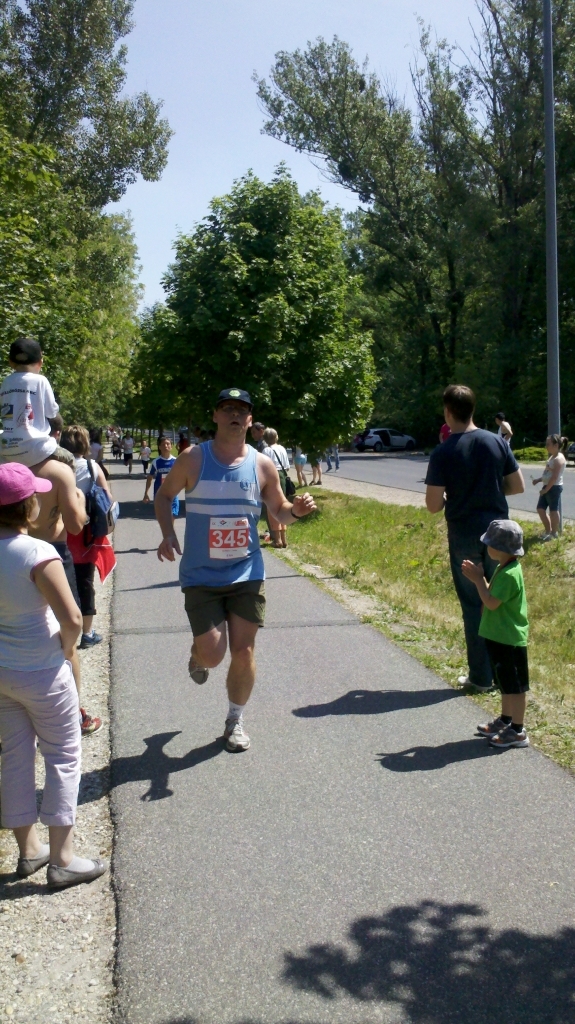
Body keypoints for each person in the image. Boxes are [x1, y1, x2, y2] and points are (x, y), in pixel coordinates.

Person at [154, 388, 316, 753]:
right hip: (201, 575)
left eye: (241, 410)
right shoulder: (193, 459)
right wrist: (167, 533)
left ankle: (235, 720)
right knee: (213, 654)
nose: (234, 415)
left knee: (243, 651)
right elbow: (164, 496)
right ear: (215, 416)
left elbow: (279, 509)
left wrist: (296, 511)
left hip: (246, 573)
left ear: (250, 420)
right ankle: (198, 654)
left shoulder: (262, 465)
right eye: (227, 408)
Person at [0, 463, 107, 887]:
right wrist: (66, 649)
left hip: (3, 671)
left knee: (15, 756)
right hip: (42, 669)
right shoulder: (38, 553)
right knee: (63, 755)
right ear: (29, 506)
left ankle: (29, 850)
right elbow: (73, 618)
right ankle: (62, 857)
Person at [425, 385, 525, 693]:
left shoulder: (443, 452)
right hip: (499, 533)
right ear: (473, 409)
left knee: (473, 603)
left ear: (447, 412)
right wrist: (489, 489)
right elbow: (517, 485)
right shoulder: (496, 442)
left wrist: (454, 496)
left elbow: (433, 505)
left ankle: (481, 677)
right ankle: (504, 674)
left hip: (465, 532)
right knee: (500, 601)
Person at [462, 519, 530, 748]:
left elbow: (491, 603)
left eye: (489, 543)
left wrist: (478, 580)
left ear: (500, 549)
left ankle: (518, 731)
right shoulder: (505, 567)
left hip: (510, 639)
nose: (486, 546)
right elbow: (492, 598)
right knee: (505, 683)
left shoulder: (510, 574)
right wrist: (482, 579)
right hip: (499, 636)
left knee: (516, 687)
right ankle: (506, 719)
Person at [61, 426, 116, 655]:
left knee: (61, 581)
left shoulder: (56, 467)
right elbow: (108, 499)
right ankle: (87, 633)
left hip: (60, 531)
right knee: (85, 582)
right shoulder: (92, 467)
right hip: (85, 535)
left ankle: (63, 628)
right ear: (85, 444)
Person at [0, 337, 59, 466]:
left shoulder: (6, 382)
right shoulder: (41, 380)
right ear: (40, 362)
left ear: (10, 362)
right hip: (36, 447)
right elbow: (51, 412)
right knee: (70, 460)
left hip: (7, 447)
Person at [532, 433, 566, 541]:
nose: (546, 446)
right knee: (540, 509)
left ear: (556, 445)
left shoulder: (559, 459)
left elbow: (554, 477)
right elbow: (547, 473)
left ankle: (554, 533)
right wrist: (538, 480)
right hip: (547, 486)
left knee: (553, 510)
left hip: (554, 487)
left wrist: (546, 490)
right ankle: (548, 531)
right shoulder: (552, 457)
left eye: (548, 444)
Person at [261, 427, 291, 548]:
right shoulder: (282, 448)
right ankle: (284, 539)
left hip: (271, 476)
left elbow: (263, 467)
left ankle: (277, 539)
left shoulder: (266, 450)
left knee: (272, 507)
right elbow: (287, 466)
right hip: (282, 476)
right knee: (282, 505)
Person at [143, 436, 180, 516]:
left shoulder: (176, 461)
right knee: (163, 517)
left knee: (172, 515)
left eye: (168, 444)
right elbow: (150, 478)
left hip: (172, 494)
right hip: (160, 494)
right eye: (163, 444)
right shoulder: (156, 462)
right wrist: (146, 493)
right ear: (159, 447)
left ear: (171, 446)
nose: (166, 446)